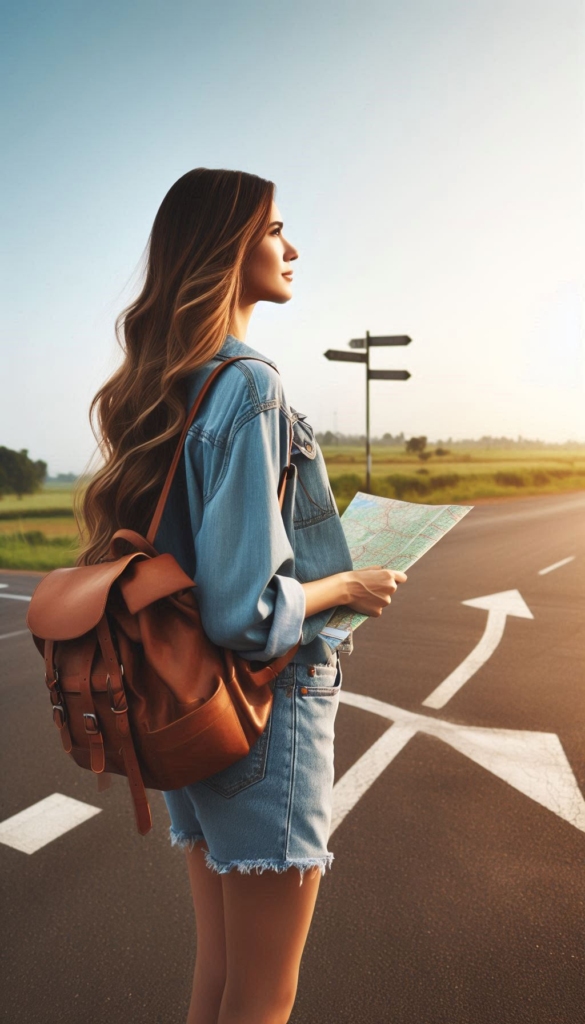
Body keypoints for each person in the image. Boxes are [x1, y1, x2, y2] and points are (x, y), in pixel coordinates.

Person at [77, 168, 407, 1024]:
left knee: (220, 976)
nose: (291, 248)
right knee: (263, 996)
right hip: (264, 709)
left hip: (187, 705)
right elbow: (246, 613)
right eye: (273, 231)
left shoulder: (174, 383)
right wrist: (347, 582)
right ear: (227, 247)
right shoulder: (251, 385)